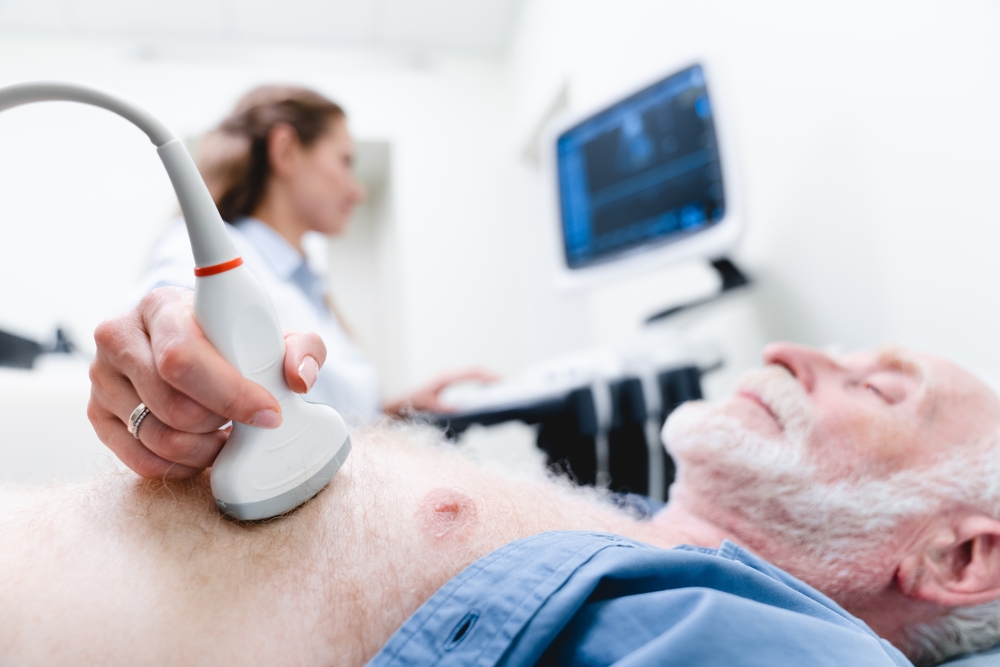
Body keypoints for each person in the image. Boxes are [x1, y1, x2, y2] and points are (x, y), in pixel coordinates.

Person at [9, 294, 1000, 664]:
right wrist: (184, 402)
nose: (788, 350)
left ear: (957, 556)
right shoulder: (626, 535)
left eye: (874, 385)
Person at [143, 84, 491, 425]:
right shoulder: (202, 252)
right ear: (286, 151)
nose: (357, 191)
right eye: (345, 161)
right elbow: (166, 323)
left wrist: (396, 413)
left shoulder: (308, 285)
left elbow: (323, 417)